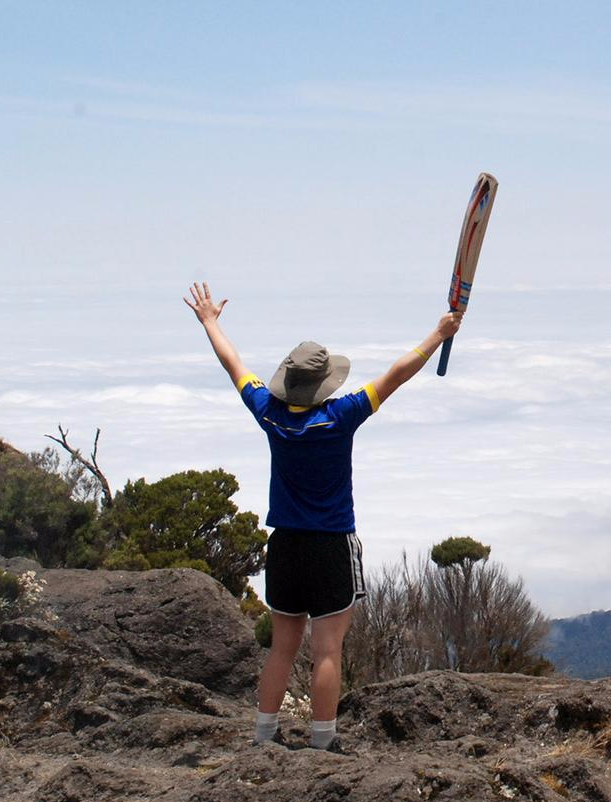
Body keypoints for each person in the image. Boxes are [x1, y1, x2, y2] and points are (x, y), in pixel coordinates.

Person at [184, 281, 462, 751]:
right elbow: (396, 375)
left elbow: (233, 365)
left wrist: (210, 321)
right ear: (323, 384)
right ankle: (322, 741)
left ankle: (265, 736)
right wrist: (438, 334)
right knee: (327, 648)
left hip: (285, 545)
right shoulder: (340, 416)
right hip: (331, 542)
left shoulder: (269, 413)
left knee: (282, 646)